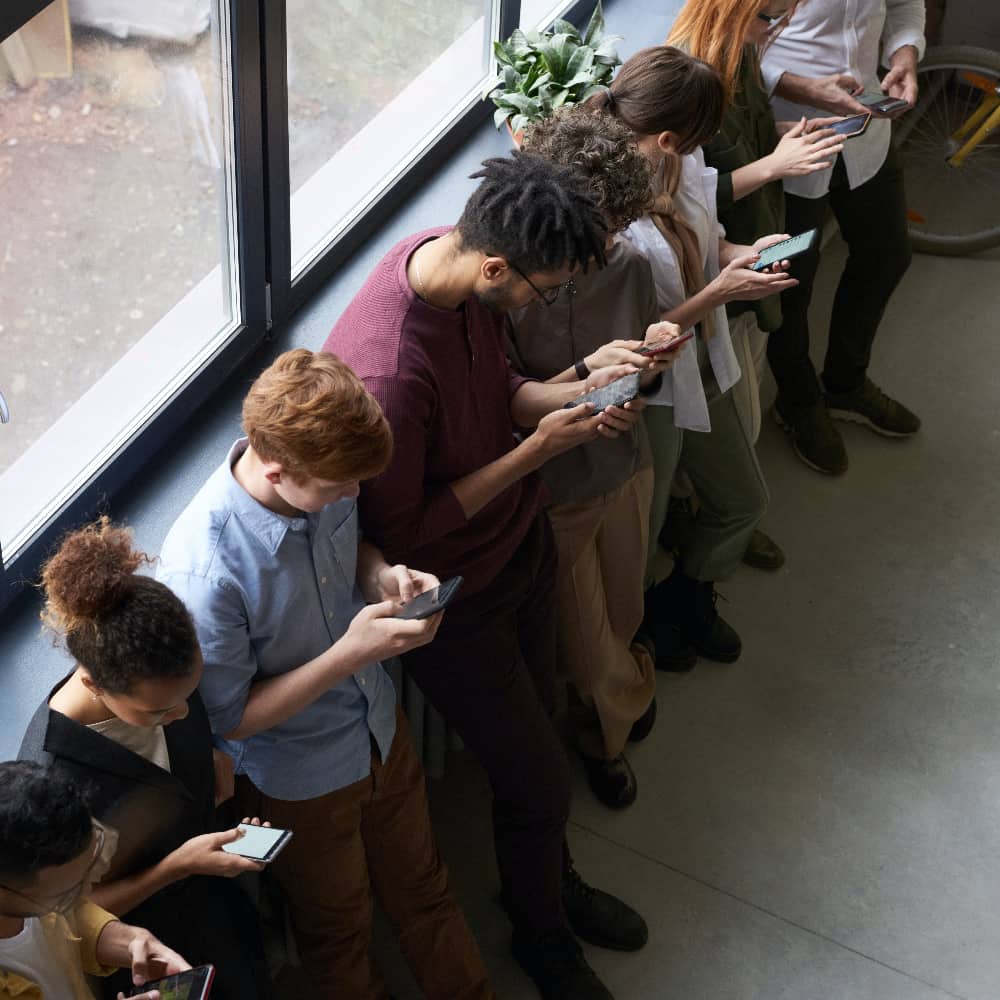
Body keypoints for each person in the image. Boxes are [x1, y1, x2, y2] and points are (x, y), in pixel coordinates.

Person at [324, 151, 649, 1000]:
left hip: (520, 546)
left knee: (540, 732)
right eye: (546, 292)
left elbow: (503, 387)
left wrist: (576, 385)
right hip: (455, 604)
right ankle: (542, 933)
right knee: (538, 774)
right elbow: (407, 535)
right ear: (498, 267)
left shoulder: (454, 260)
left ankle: (546, 882)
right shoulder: (389, 375)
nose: (545, 305)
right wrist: (537, 451)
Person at [157, 349, 495, 1000]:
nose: (355, 494)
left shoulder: (327, 473)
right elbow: (230, 719)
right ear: (277, 471)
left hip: (378, 726)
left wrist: (383, 576)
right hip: (299, 784)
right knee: (338, 934)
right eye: (340, 488)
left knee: (427, 889)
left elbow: (355, 549)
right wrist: (353, 651)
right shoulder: (203, 573)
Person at [590, 46, 792, 668]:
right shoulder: (606, 218)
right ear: (668, 136)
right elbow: (631, 343)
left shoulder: (682, 160)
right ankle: (645, 621)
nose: (703, 150)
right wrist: (717, 295)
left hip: (705, 359)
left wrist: (738, 252)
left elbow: (709, 236)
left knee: (744, 499)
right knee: (642, 532)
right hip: (653, 386)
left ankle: (691, 592)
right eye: (697, 139)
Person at [507, 105, 680, 808]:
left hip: (625, 462)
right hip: (556, 487)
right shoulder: (508, 290)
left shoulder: (630, 260)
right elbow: (503, 407)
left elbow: (642, 359)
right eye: (602, 226)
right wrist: (583, 383)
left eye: (617, 226)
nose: (611, 241)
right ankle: (615, 725)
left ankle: (623, 689)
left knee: (626, 607)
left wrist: (653, 369)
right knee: (581, 644)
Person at [19, 518, 271, 1000]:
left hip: (223, 919)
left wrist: (215, 763)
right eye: (158, 711)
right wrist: (177, 866)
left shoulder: (165, 673)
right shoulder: (52, 780)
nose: (181, 715)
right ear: (94, 683)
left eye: (189, 696)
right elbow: (69, 916)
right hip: (153, 959)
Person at [668, 0, 845, 568]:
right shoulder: (689, 77)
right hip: (721, 272)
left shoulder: (741, 54)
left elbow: (748, 139)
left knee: (747, 389)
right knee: (732, 412)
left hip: (753, 247)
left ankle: (727, 513)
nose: (779, 29)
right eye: (770, 16)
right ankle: (720, 517)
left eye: (788, 15)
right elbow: (686, 198)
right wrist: (775, 166)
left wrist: (792, 134)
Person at [759, 0, 924, 474]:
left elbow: (904, 4)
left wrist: (904, 54)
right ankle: (797, 399)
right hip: (789, 145)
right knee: (790, 282)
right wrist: (798, 85)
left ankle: (846, 384)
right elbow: (720, 40)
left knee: (887, 254)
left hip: (866, 132)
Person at [0, 760, 189, 1000]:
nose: (87, 891)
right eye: (66, 894)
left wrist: (131, 941)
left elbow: (64, 919)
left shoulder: (29, 891)